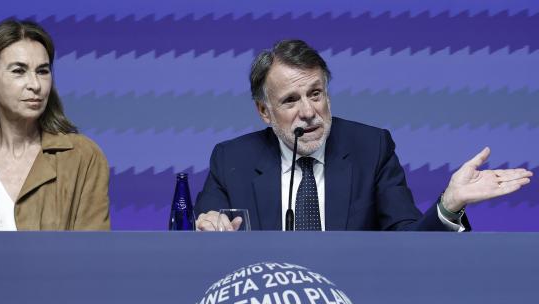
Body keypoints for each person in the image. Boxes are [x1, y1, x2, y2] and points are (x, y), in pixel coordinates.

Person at [195, 40, 532, 231]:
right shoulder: (232, 160)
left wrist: (449, 205)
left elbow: (408, 244)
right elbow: (201, 234)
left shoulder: (371, 148)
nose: (309, 111)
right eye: (290, 101)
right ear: (264, 112)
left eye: (316, 93)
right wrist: (208, 230)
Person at [0, 20, 110, 230]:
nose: (35, 85)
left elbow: (93, 257)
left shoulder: (84, 157)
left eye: (43, 71)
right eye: (19, 71)